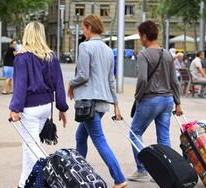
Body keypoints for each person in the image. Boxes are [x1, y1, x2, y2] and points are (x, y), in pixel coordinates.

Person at [68, 15, 127, 188]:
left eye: (83, 28)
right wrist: (116, 105)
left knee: (99, 140)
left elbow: (83, 75)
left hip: (88, 102)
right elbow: (111, 80)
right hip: (102, 104)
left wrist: (70, 84)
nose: (82, 31)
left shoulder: (85, 47)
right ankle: (79, 174)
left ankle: (119, 178)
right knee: (80, 136)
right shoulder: (108, 50)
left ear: (89, 27)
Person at [9, 21, 68, 188]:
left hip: (30, 108)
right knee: (31, 146)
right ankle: (26, 183)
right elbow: (59, 84)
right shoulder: (51, 56)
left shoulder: (22, 57)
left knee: (31, 148)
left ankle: (42, 180)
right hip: (46, 107)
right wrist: (62, 108)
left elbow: (20, 85)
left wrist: (15, 108)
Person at [127, 20, 183, 181]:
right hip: (167, 100)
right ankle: (167, 170)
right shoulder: (167, 54)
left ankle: (142, 168)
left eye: (140, 36)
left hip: (151, 99)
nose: (140, 39)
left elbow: (143, 79)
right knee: (164, 136)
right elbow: (174, 80)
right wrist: (178, 102)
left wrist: (138, 96)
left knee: (135, 133)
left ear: (145, 36)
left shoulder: (144, 54)